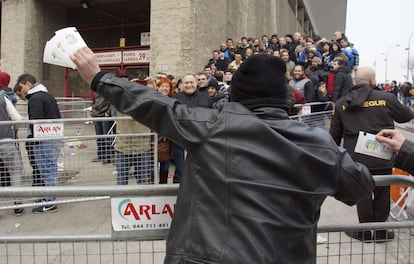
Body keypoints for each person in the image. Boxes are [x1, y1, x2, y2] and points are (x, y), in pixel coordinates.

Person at [72, 47, 374, 264]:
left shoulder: (211, 127)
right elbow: (359, 187)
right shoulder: (319, 144)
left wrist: (99, 78)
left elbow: (153, 105)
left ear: (238, 93)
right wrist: (398, 154)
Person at [329, 66, 414, 242]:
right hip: (383, 154)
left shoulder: (342, 103)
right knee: (383, 191)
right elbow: (405, 116)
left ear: (355, 81)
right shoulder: (386, 98)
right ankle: (381, 233)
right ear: (372, 80)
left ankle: (365, 232)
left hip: (356, 158)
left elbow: (334, 137)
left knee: (363, 193)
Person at [15, 74, 63, 213]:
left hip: (44, 140)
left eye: (22, 86)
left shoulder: (35, 99)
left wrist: (34, 140)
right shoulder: (47, 95)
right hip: (53, 137)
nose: (22, 91)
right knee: (50, 169)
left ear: (27, 83)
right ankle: (49, 199)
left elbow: (36, 121)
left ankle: (50, 202)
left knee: (47, 170)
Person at [0, 88, 25, 216]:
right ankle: (18, 204)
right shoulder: (3, 98)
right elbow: (16, 118)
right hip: (5, 140)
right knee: (15, 170)